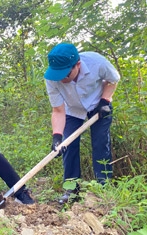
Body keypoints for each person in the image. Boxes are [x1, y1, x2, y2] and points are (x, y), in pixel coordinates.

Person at [44, 43, 120, 204]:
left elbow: (113, 80)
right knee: (68, 145)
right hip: (72, 110)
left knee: (100, 143)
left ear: (77, 65)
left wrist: (105, 100)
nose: (61, 79)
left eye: (65, 74)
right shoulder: (51, 78)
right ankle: (72, 190)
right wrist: (57, 136)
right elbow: (58, 110)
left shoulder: (97, 62)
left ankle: (103, 187)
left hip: (100, 105)